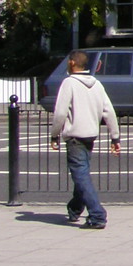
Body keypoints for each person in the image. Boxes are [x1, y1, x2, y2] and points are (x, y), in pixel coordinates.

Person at [50, 50, 121, 229]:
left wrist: (54, 134)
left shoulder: (69, 83)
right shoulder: (96, 84)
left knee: (80, 176)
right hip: (90, 135)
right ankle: (75, 208)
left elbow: (60, 112)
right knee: (81, 175)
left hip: (75, 137)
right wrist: (115, 137)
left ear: (73, 63)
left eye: (68, 61)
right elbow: (109, 111)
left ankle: (97, 215)